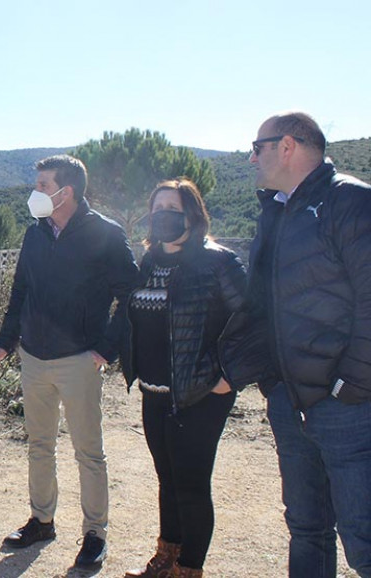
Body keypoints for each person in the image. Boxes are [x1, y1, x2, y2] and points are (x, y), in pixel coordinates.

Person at [220, 112, 371, 577]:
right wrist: (261, 376)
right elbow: (263, 306)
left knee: (363, 537)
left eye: (257, 146)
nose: (251, 157)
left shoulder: (351, 203)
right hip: (289, 399)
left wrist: (352, 383)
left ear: (287, 146)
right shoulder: (276, 210)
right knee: (306, 529)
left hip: (347, 404)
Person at [0, 154, 138, 568]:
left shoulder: (106, 234)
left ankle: (94, 534)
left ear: (65, 191)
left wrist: (106, 349)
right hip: (33, 356)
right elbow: (20, 292)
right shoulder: (36, 235)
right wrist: (4, 343)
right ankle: (41, 520)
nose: (35, 193)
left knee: (89, 452)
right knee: (40, 445)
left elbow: (132, 296)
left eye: (42, 185)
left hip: (79, 360)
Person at [121, 179, 246, 578]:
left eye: (171, 208)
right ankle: (167, 558)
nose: (162, 216)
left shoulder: (218, 262)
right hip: (153, 390)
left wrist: (228, 376)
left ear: (192, 214)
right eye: (156, 208)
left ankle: (189, 569)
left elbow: (253, 322)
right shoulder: (148, 263)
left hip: (200, 394)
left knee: (191, 485)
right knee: (167, 479)